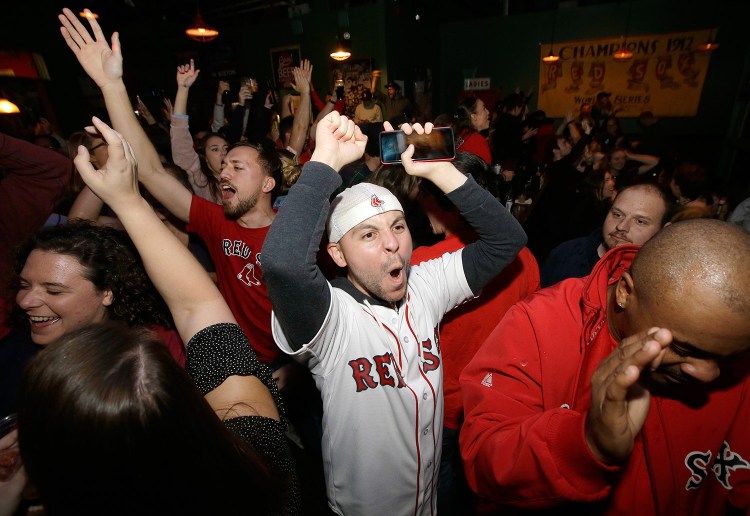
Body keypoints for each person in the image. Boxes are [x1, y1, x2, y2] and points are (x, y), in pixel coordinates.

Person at [11, 115, 300, 515]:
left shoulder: (290, 235)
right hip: (243, 367)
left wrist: (296, 363)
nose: (25, 302)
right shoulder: (252, 460)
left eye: (237, 165)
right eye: (24, 286)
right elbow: (196, 303)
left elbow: (313, 307)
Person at [262, 114, 527, 515]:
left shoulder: (426, 285)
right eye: (368, 234)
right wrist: (324, 163)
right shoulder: (331, 319)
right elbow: (283, 264)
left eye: (398, 226)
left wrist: (441, 171)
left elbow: (508, 240)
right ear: (336, 254)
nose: (392, 245)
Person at [460, 218, 750, 514]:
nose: (707, 373)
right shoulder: (539, 324)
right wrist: (587, 442)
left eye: (727, 358)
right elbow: (485, 461)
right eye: (681, 348)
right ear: (625, 292)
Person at [411, 151, 540, 515]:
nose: (421, 206)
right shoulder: (525, 258)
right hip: (498, 403)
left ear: (448, 204)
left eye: (425, 196)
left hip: (444, 410)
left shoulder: (427, 263)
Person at [0, 221, 182, 421]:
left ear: (107, 292)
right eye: (24, 285)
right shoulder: (16, 347)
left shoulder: (152, 355)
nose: (25, 301)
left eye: (54, 291)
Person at [541, 181, 671, 287]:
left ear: (663, 231)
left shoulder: (657, 286)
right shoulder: (567, 253)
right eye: (617, 214)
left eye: (640, 221)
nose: (621, 226)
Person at [170, 59, 229, 204]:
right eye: (214, 149)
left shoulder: (241, 179)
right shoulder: (201, 182)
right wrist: (183, 89)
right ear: (205, 158)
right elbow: (180, 138)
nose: (223, 153)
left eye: (226, 148)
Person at [454, 97, 491, 165]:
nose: (488, 112)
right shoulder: (476, 140)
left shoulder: (460, 135)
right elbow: (486, 174)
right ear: (474, 117)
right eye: (484, 109)